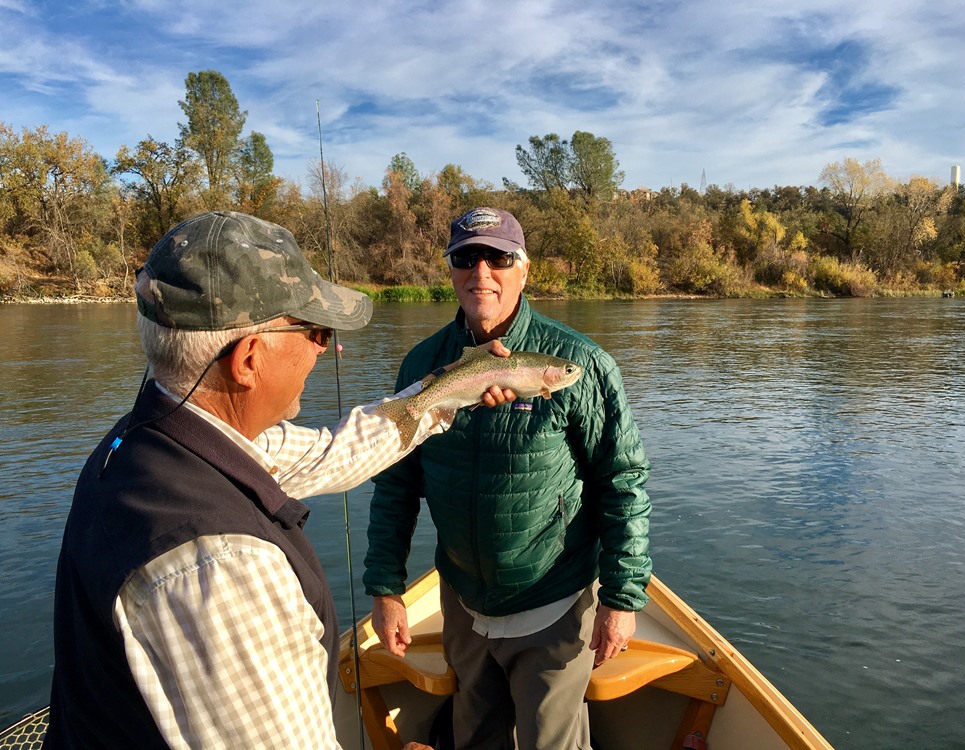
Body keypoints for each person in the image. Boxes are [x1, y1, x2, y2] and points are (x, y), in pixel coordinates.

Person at [44, 210, 514, 750]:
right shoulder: (221, 565)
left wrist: (449, 390)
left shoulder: (152, 442)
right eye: (315, 331)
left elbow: (331, 453)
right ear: (247, 359)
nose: (327, 348)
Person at [363, 207, 652, 750]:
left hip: (555, 598)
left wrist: (623, 597)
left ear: (524, 269)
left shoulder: (580, 364)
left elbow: (624, 482)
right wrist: (385, 587)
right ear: (450, 270)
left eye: (498, 258)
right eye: (466, 258)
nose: (481, 273)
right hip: (463, 602)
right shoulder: (424, 365)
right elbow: (395, 488)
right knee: (476, 740)